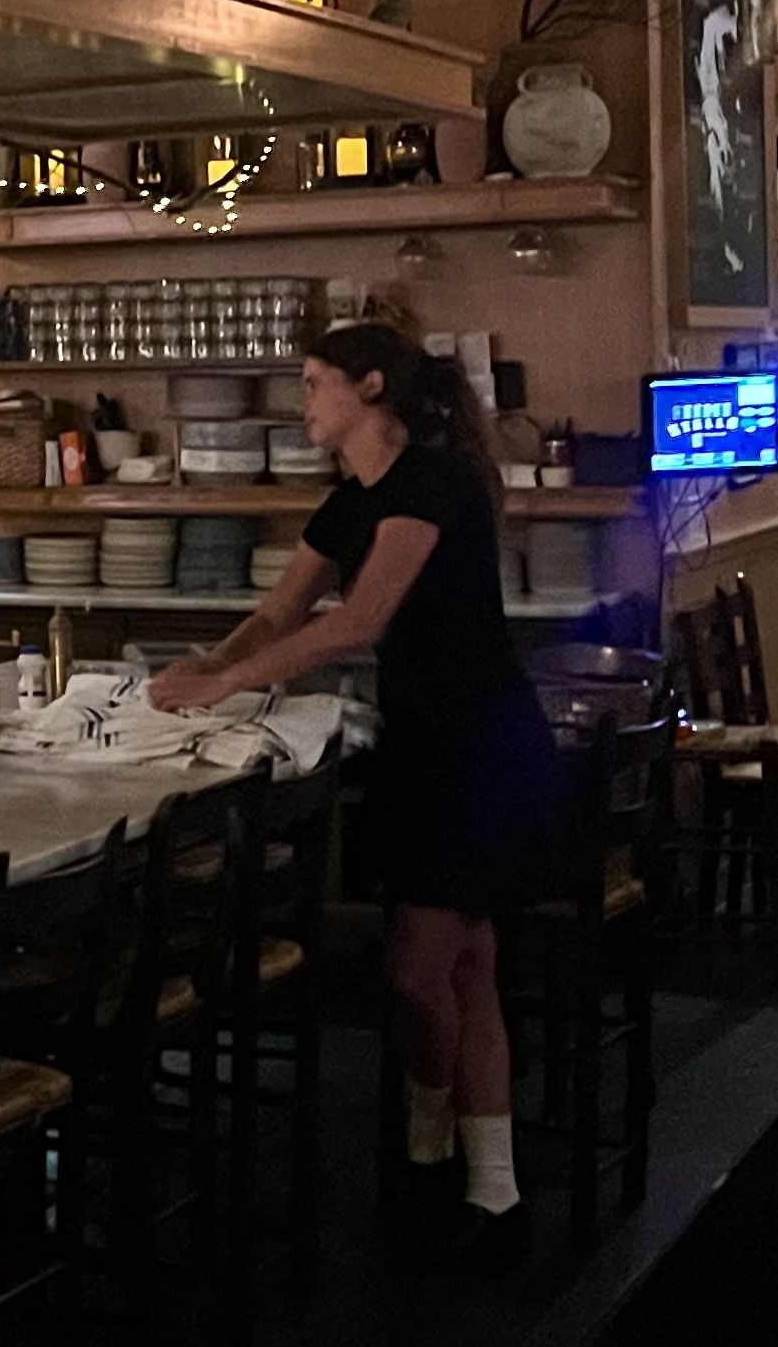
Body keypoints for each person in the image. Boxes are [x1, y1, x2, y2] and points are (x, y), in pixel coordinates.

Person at [146, 322, 555, 1254]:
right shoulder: (348, 501)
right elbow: (279, 610)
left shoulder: (432, 483)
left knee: (421, 966)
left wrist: (225, 687)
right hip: (423, 744)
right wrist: (210, 661)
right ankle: (482, 1179)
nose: (304, 403)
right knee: (462, 965)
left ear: (371, 388)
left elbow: (360, 620)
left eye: (316, 384)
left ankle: (434, 1140)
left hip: (481, 743)